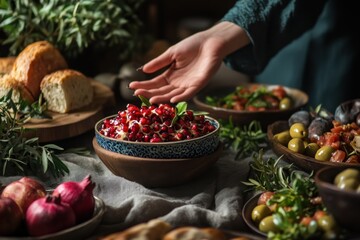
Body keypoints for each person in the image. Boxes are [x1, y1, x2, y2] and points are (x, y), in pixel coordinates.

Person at [129, 0, 359, 112]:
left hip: (343, 40)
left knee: (338, 124)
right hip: (278, 39)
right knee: (272, 115)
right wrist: (219, 35)